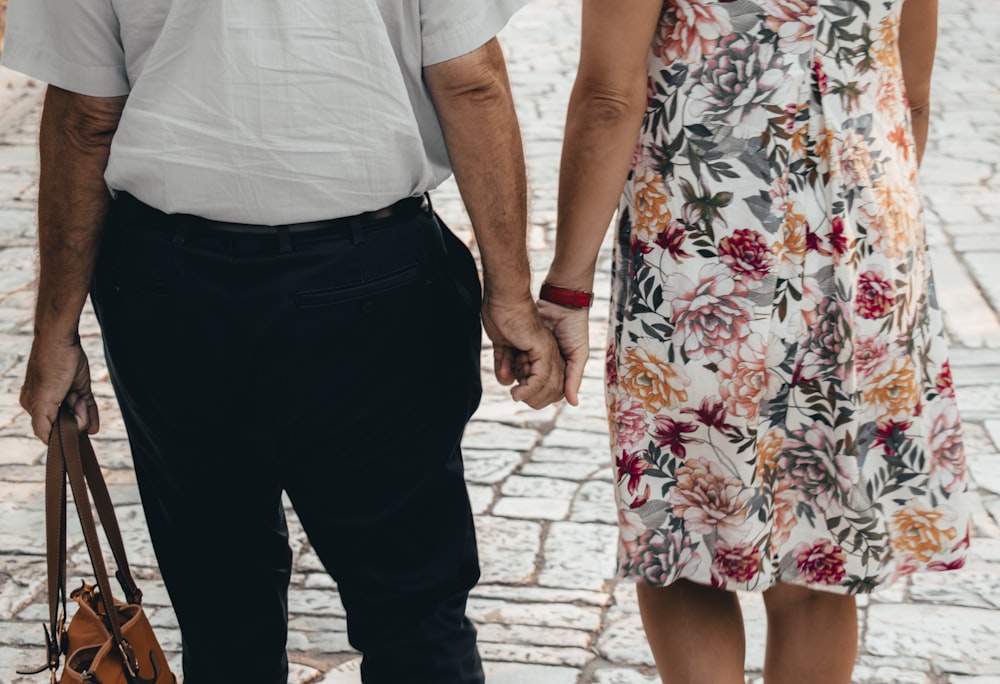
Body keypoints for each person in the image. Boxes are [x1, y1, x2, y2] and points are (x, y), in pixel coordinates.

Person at [5, 1, 566, 682]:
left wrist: (56, 332)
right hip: (371, 278)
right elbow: (470, 79)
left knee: (222, 608)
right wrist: (509, 294)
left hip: (173, 292)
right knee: (414, 613)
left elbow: (86, 116)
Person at [538, 1, 970, 682]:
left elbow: (609, 98)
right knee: (817, 552)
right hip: (865, 254)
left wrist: (567, 288)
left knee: (685, 540)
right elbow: (910, 95)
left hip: (712, 247)